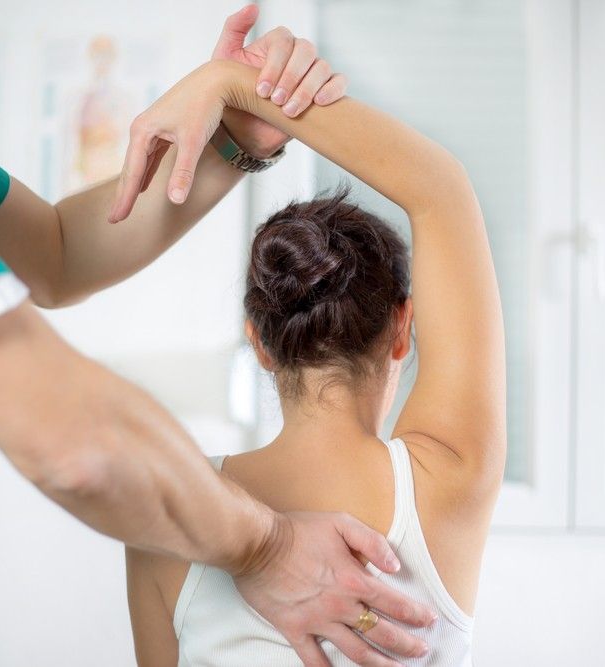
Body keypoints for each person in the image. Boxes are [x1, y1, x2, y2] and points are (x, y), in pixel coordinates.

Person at [0, 2, 438, 665]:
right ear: (402, 327)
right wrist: (269, 548)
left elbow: (57, 252)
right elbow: (73, 440)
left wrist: (234, 133)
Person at [122, 59, 506, 665]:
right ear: (402, 327)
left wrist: (236, 85)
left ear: (260, 344)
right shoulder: (449, 478)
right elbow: (441, 188)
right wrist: (237, 86)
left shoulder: (171, 521)